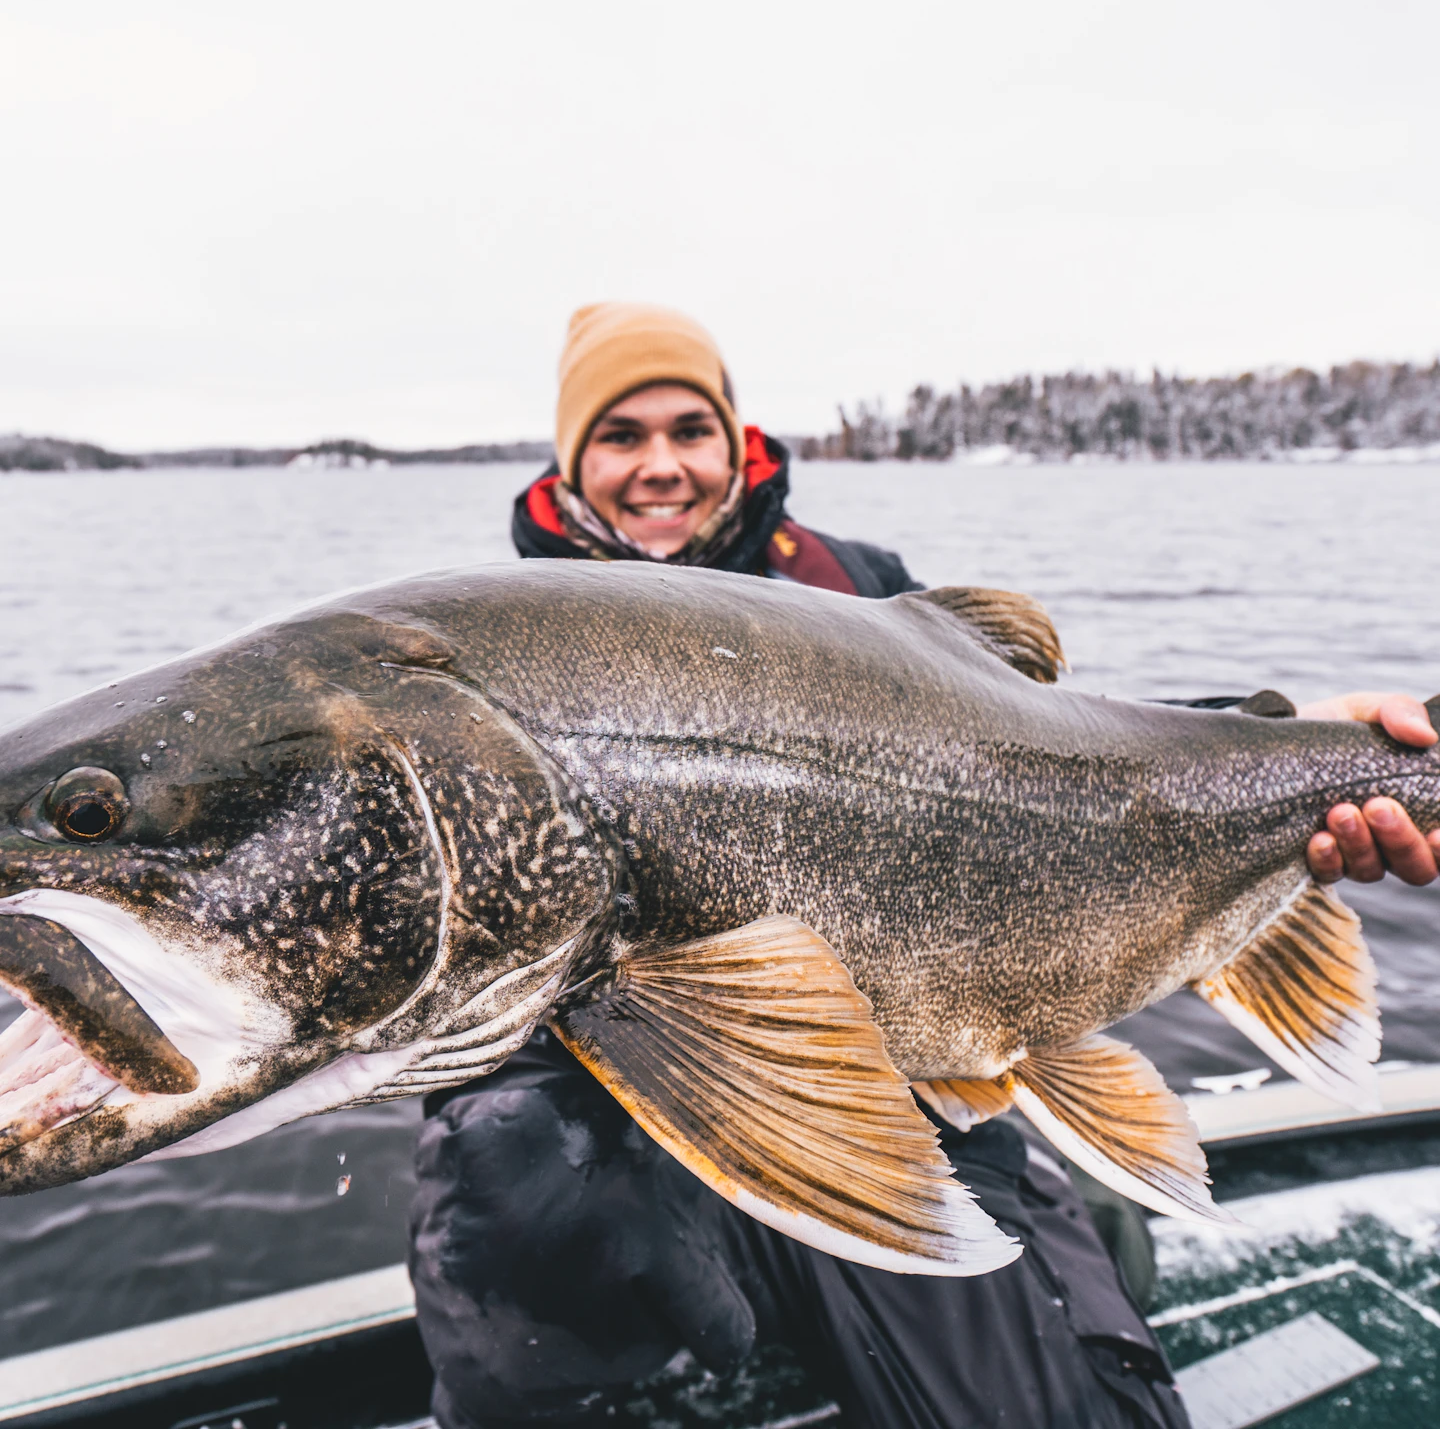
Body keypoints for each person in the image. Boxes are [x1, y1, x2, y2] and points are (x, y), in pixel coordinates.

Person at [409, 303, 1439, 1429]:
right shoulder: (471, 645)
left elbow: (1049, 760)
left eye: (689, 428)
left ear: (735, 442)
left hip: (907, 1053)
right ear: (571, 461)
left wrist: (1282, 743)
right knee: (515, 1222)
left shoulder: (862, 588)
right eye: (621, 436)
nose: (661, 465)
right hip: (581, 1081)